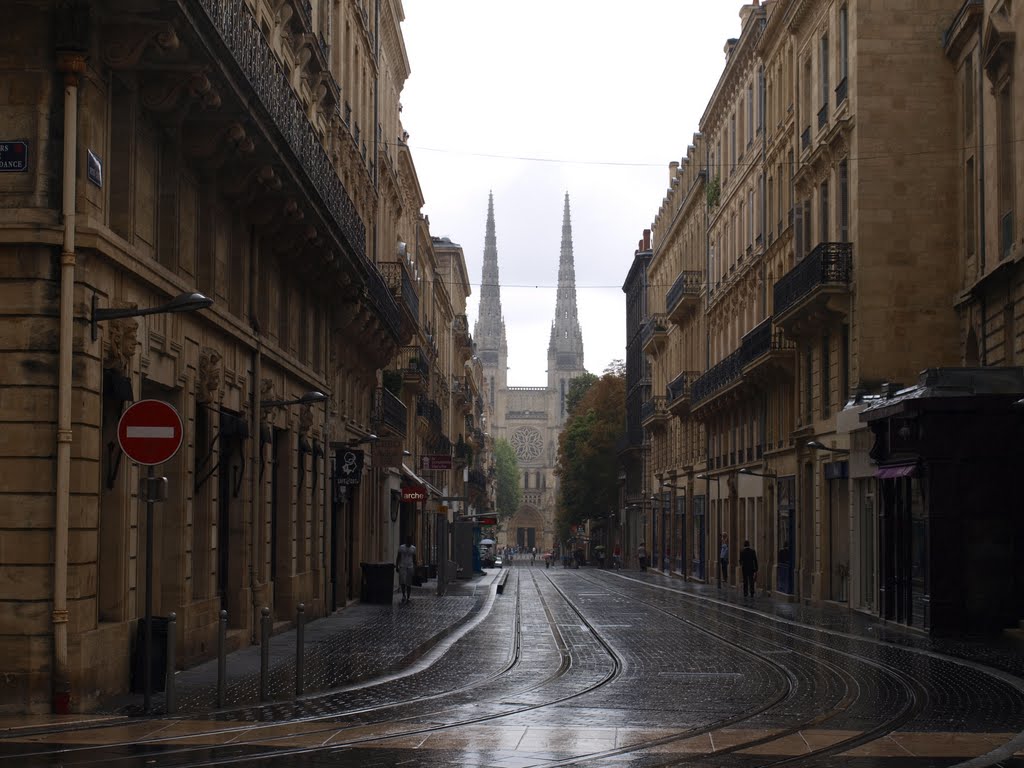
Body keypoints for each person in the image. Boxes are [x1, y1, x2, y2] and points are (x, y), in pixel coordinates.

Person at [395, 535, 416, 605]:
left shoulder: (413, 548)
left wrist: (415, 568)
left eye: (411, 541)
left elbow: (414, 559)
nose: (410, 542)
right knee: (403, 582)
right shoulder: (401, 547)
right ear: (407, 541)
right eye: (409, 540)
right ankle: (404, 595)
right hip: (402, 566)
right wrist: (397, 566)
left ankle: (408, 596)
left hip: (410, 567)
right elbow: (398, 557)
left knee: (409, 583)